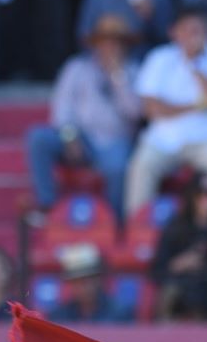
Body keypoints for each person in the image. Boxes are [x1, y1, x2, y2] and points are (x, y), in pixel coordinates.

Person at [123, 3, 207, 215]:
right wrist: (197, 106)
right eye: (187, 30)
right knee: (141, 167)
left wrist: (196, 64)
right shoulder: (158, 57)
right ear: (174, 32)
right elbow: (151, 109)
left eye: (198, 30)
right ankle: (138, 227)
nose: (193, 36)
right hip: (163, 141)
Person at [24, 14, 142, 220]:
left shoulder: (134, 71)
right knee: (38, 138)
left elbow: (135, 113)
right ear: (95, 44)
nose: (110, 47)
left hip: (115, 140)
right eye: (105, 41)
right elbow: (62, 109)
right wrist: (70, 136)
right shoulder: (76, 68)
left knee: (118, 168)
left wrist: (117, 76)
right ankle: (47, 207)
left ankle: (113, 223)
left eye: (116, 42)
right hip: (80, 136)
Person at [149, 172, 207, 321]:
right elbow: (157, 270)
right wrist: (181, 263)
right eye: (202, 195)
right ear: (192, 197)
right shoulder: (176, 228)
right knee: (169, 294)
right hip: (181, 289)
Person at [47, 241, 136, 324]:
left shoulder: (120, 313)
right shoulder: (59, 316)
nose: (82, 287)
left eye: (86, 280)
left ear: (98, 279)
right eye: (76, 281)